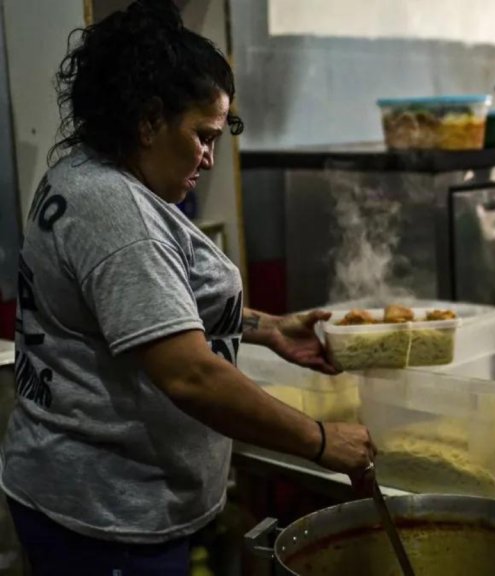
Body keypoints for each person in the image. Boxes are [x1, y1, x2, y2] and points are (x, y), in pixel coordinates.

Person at [2, 2, 375, 573]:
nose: (209, 157)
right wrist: (322, 441)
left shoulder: (83, 171)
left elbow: (140, 309)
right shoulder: (121, 217)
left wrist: (267, 328)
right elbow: (190, 376)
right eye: (202, 135)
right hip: (106, 519)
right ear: (149, 120)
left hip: (84, 495)